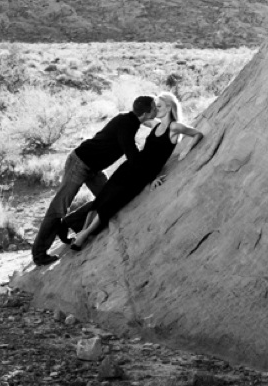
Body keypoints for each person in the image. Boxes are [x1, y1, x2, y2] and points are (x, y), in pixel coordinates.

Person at [65, 91, 203, 251]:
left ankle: (84, 235)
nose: (155, 109)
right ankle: (82, 231)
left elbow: (197, 134)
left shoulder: (174, 127)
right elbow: (135, 118)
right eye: (154, 106)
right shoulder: (155, 124)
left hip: (143, 172)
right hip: (131, 165)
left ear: (169, 107)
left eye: (158, 106)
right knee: (103, 197)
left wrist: (187, 150)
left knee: (113, 202)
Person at [31, 95, 157, 266]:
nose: (157, 110)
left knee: (106, 199)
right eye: (155, 107)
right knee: (59, 206)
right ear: (146, 111)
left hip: (94, 169)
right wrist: (150, 176)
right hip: (79, 163)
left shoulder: (131, 121)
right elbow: (131, 154)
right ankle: (39, 254)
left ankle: (69, 223)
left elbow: (152, 128)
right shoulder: (126, 124)